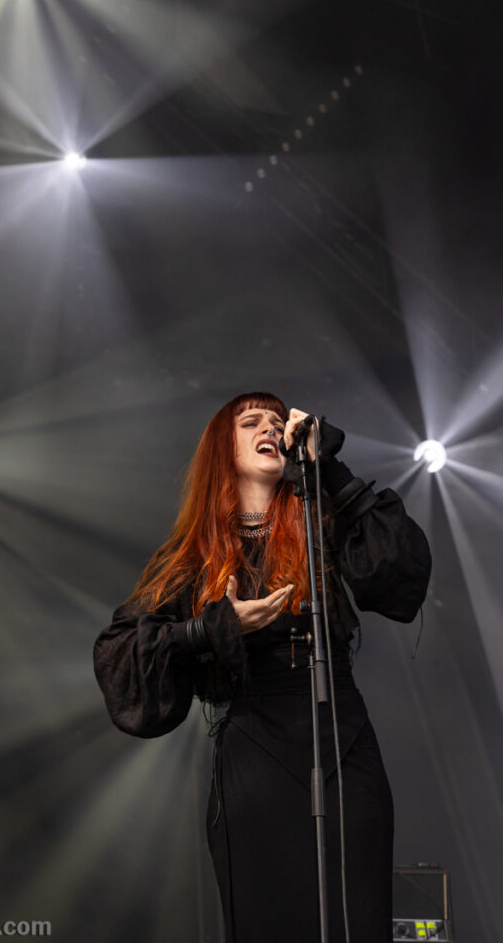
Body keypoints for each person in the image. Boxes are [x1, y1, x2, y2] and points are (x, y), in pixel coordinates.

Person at [93, 391, 431, 943]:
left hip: (341, 735)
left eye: (277, 421)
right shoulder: (192, 553)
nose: (270, 428)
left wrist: (328, 468)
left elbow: (401, 577)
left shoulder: (320, 523)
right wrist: (211, 628)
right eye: (252, 421)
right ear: (222, 450)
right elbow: (120, 653)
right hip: (254, 747)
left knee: (358, 913)